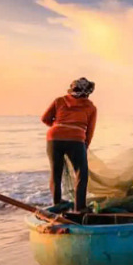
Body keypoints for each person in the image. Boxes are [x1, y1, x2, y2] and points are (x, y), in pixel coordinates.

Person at [41, 77, 97, 212]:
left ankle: (57, 203)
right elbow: (89, 131)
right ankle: (80, 208)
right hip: (76, 139)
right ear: (87, 92)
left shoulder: (59, 101)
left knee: (56, 172)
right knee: (81, 173)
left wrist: (58, 127)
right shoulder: (90, 107)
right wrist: (85, 145)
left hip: (53, 138)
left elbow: (44, 119)